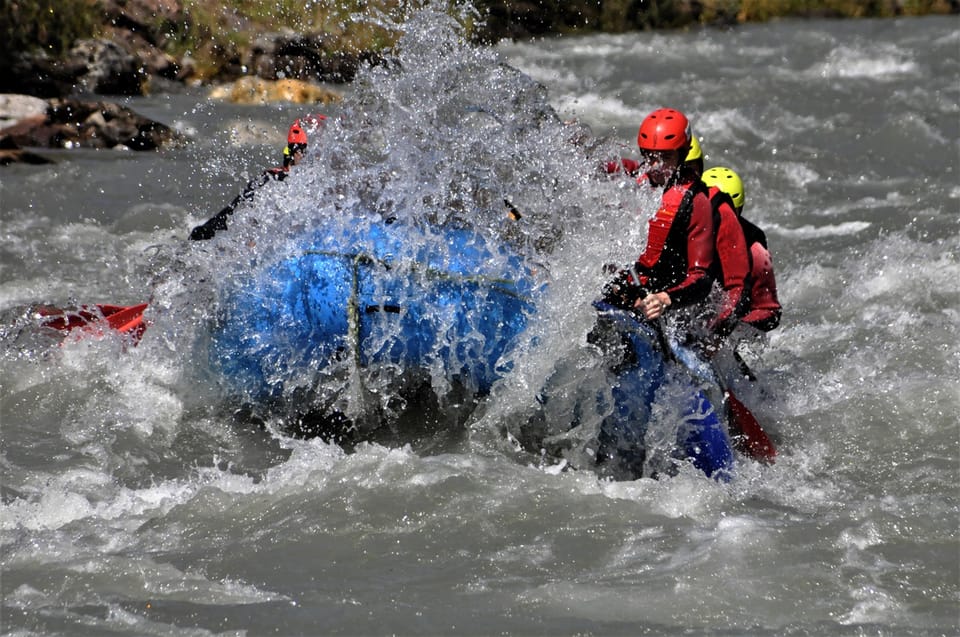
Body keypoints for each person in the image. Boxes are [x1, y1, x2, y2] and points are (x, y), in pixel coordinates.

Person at [602, 108, 715, 327]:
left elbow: (702, 278)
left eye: (666, 157)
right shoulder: (638, 180)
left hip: (655, 306)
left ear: (682, 153)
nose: (656, 166)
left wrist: (664, 300)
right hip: (621, 291)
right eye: (650, 156)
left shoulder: (696, 202)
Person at [189, 115, 325, 241]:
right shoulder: (272, 180)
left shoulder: (322, 185)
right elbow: (238, 221)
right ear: (296, 152)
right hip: (215, 235)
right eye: (310, 153)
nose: (316, 160)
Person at [700, 166, 782, 334]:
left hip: (732, 323)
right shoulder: (691, 228)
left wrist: (725, 327)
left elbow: (769, 313)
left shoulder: (756, 251)